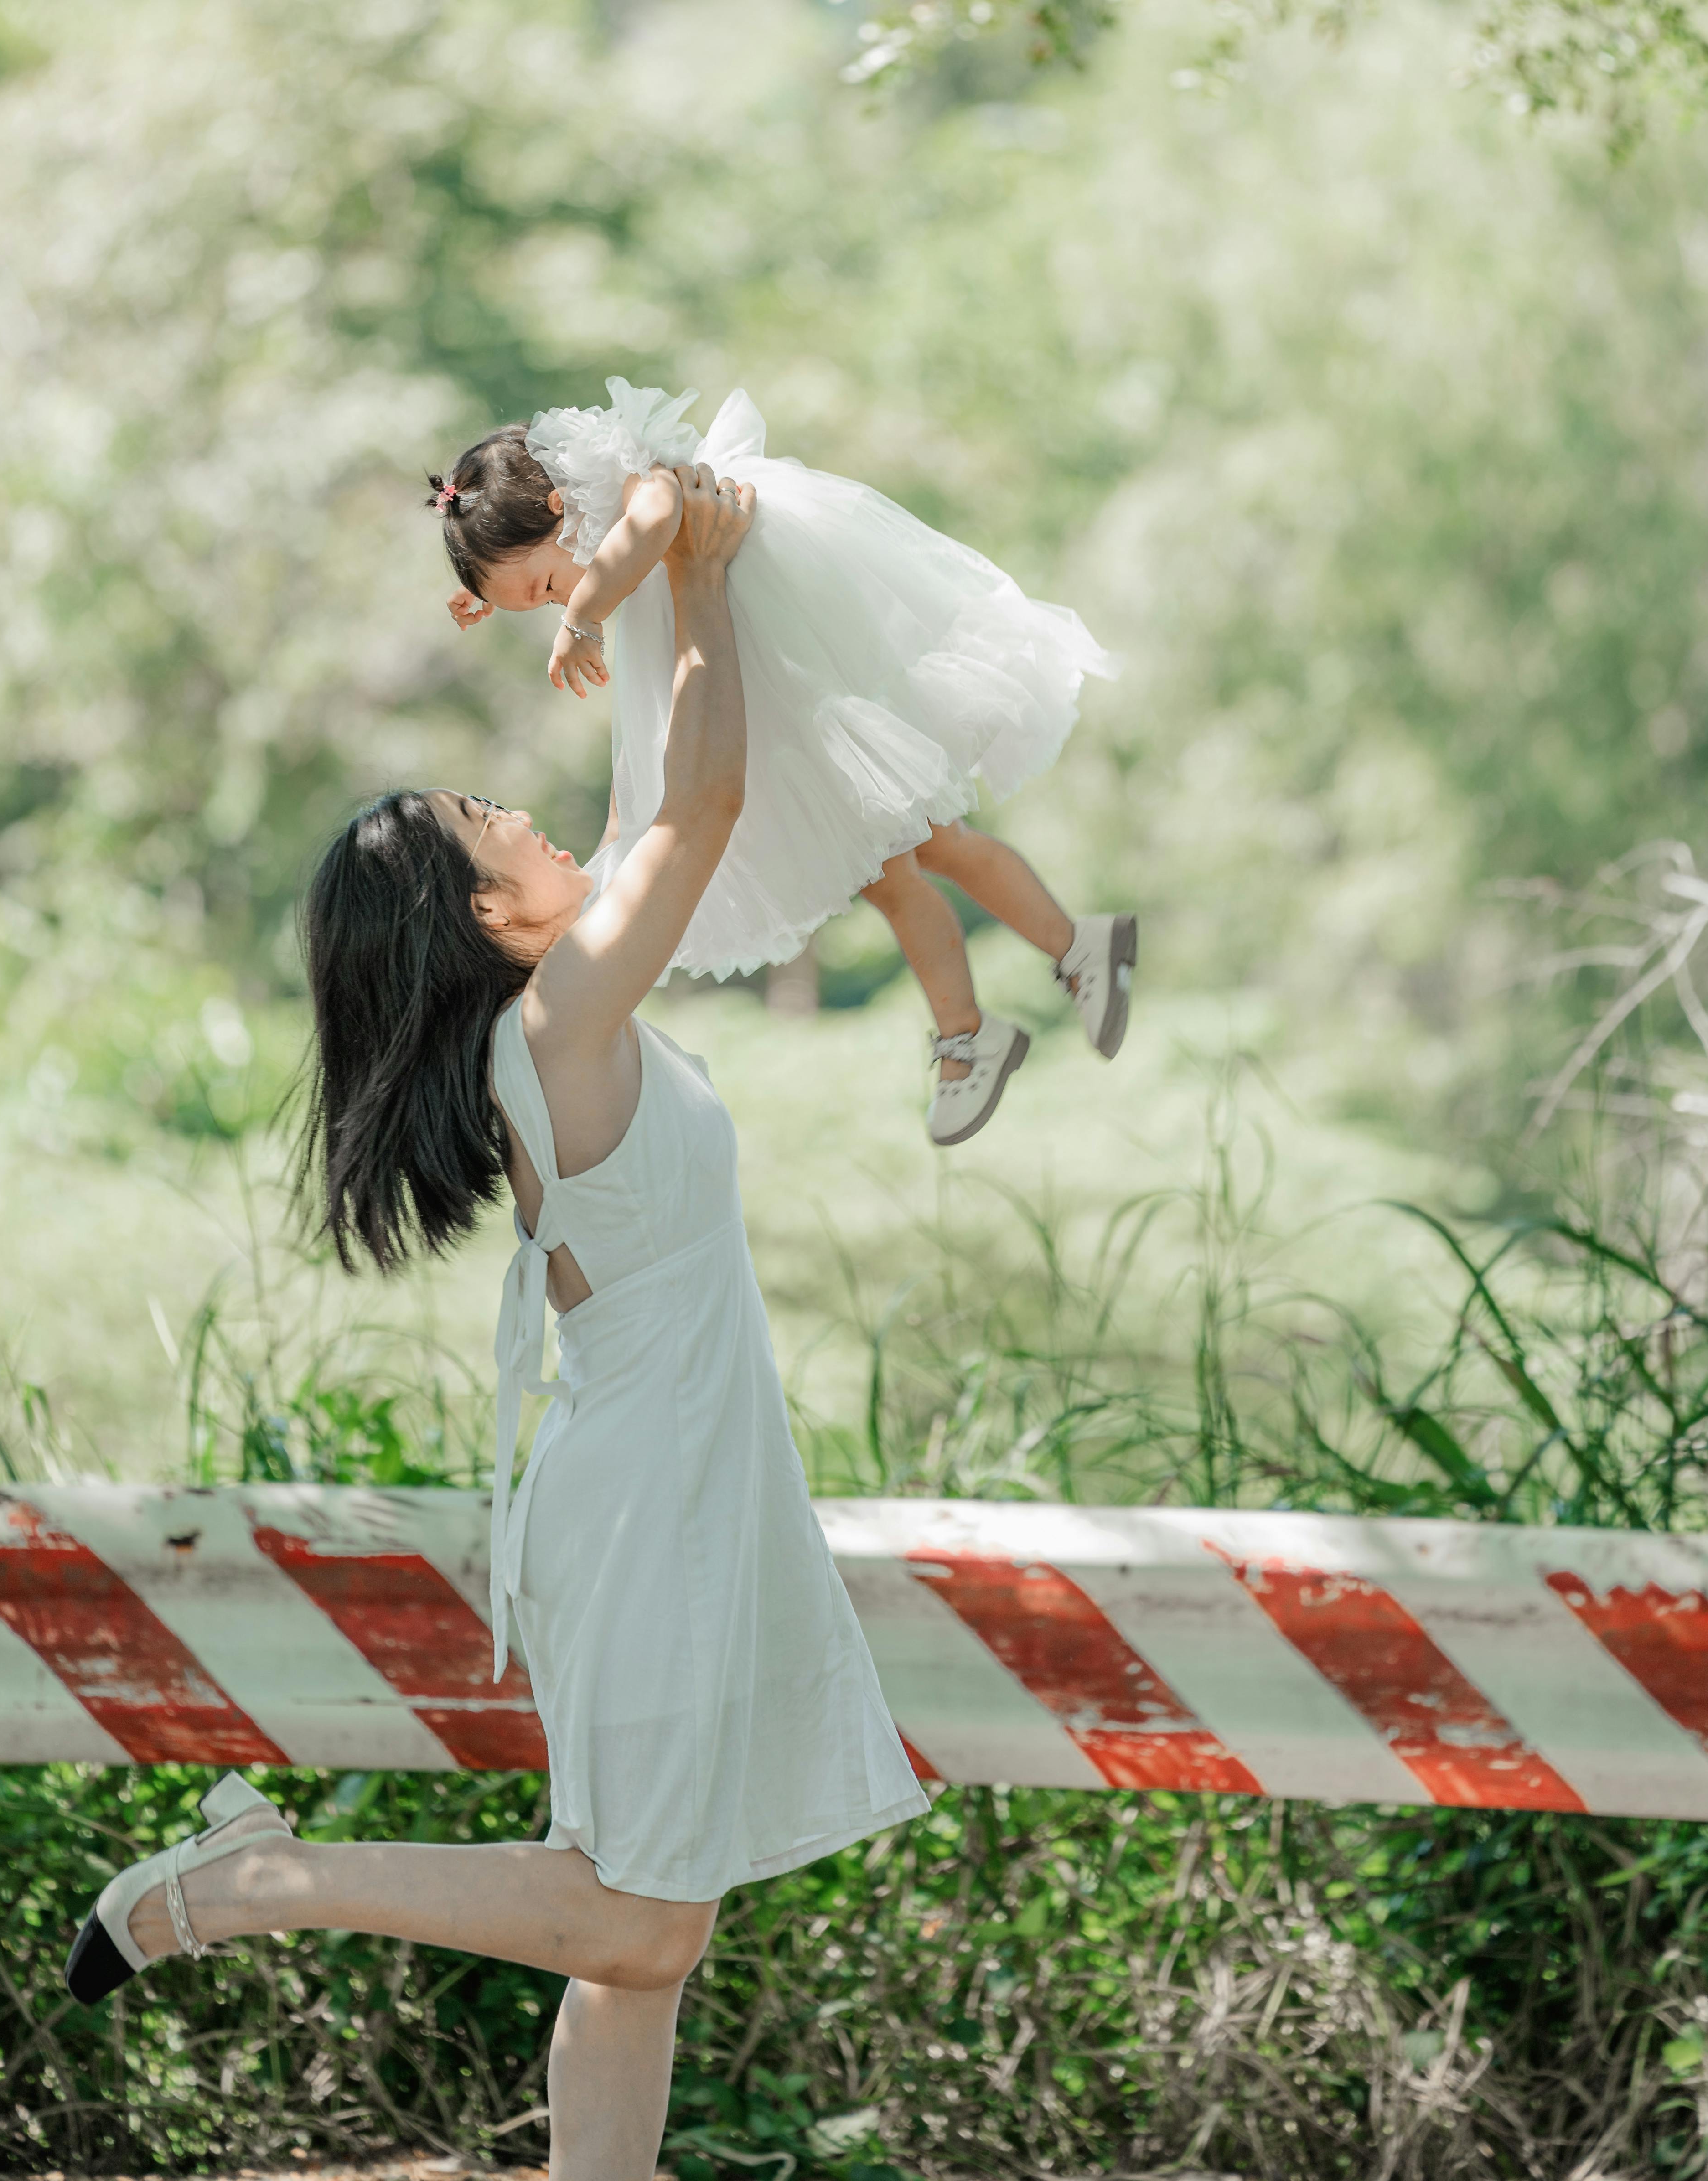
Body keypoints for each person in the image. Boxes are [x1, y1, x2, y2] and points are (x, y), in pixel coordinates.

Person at [63, 463, 929, 2181]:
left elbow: (687, 794)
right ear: (484, 912)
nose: (537, 822)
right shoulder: (558, 1023)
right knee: (638, 1923)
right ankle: (245, 1883)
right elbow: (708, 787)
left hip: (666, 1487)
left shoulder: (543, 1022)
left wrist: (684, 563)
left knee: (635, 1942)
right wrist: (697, 567)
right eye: (497, 823)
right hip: (655, 1503)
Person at [434, 377, 1134, 1145]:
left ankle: (986, 1023)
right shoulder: (597, 547)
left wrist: (581, 612)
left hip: (798, 662)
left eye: (541, 586)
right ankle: (1031, 984)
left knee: (908, 860)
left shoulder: (624, 500)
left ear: (560, 513)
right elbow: (611, 645)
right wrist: (493, 586)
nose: (553, 602)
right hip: (786, 694)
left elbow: (661, 509)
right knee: (913, 860)